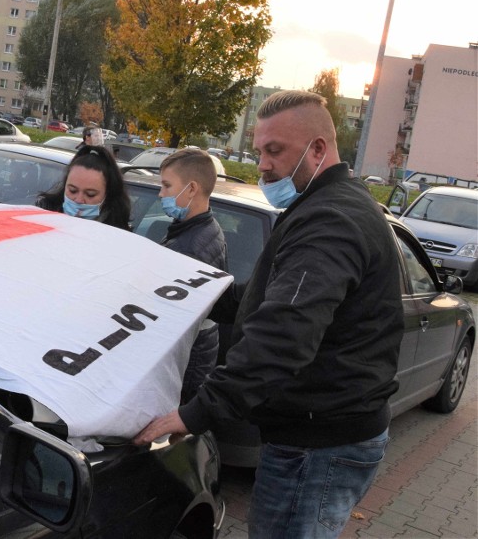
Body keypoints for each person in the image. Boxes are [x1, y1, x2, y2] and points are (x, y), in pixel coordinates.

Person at [134, 90, 404, 539]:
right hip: (322, 436)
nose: (261, 164)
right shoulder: (324, 206)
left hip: (317, 445)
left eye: (274, 151)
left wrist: (195, 413)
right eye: (259, 151)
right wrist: (192, 294)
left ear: (318, 149)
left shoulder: (330, 221)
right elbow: (262, 298)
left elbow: (282, 335)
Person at [157, 148, 228, 403]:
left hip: (183, 371)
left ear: (191, 189)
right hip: (198, 360)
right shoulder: (209, 228)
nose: (160, 193)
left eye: (167, 186)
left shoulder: (187, 249)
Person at [36, 145, 131, 230]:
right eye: (72, 191)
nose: (79, 200)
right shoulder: (41, 216)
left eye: (90, 195)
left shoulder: (118, 234)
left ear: (107, 194)